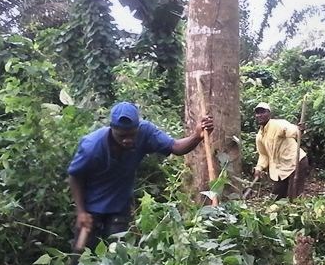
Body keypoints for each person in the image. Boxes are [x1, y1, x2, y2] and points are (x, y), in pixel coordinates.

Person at [67, 101, 214, 252]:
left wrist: (197, 136)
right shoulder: (92, 146)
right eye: (122, 136)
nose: (127, 140)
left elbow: (176, 147)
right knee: (81, 259)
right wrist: (81, 212)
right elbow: (74, 176)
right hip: (91, 208)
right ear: (112, 129)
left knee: (117, 256)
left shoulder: (145, 132)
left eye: (132, 135)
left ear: (138, 127)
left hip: (119, 206)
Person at [253, 102, 309, 200]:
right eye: (257, 113)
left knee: (294, 196)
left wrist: (299, 130)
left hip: (295, 162)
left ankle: (297, 212)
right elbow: (264, 155)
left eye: (263, 112)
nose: (259, 115)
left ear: (269, 114)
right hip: (279, 170)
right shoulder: (259, 136)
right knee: (277, 198)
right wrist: (259, 168)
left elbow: (292, 131)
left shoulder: (278, 124)